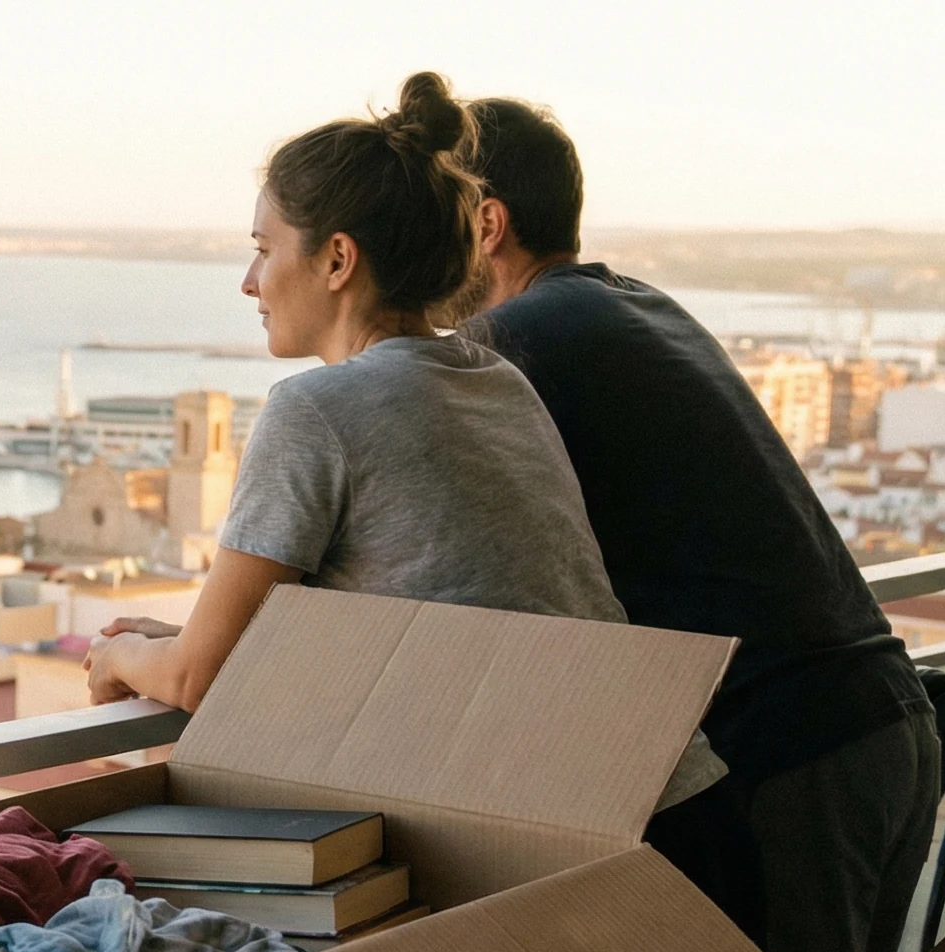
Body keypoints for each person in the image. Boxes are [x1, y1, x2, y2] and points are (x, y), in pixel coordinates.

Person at [456, 95, 941, 952]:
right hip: (867, 726)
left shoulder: (519, 338)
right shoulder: (628, 305)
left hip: (791, 760)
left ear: (485, 220)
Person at [87, 74, 699, 746]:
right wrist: (179, 641)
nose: (249, 281)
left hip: (524, 801)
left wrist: (119, 655)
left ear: (338, 259)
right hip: (634, 765)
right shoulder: (495, 378)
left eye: (264, 250)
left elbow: (193, 682)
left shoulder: (314, 411)